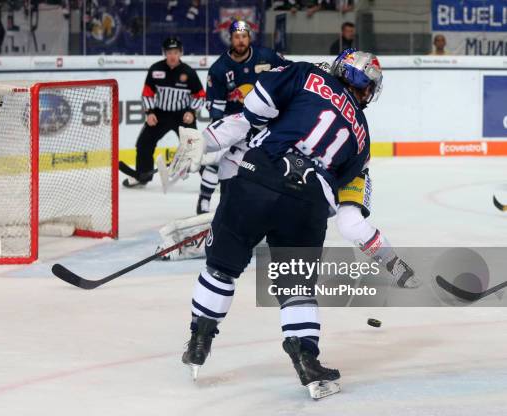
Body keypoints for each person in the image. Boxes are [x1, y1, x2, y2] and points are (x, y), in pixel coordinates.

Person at [179, 49, 384, 399]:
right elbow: (348, 212)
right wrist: (386, 254)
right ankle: (307, 360)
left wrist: (214, 140)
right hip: (309, 204)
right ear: (366, 90)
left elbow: (255, 109)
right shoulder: (363, 138)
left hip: (258, 177)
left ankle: (199, 341)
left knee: (221, 269)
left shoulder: (305, 74)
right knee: (297, 285)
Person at [197, 20, 290, 213]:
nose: (240, 41)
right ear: (230, 39)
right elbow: (215, 105)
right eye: (237, 37)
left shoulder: (265, 56)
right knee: (217, 161)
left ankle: (264, 208)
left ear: (249, 38)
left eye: (244, 36)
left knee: (262, 164)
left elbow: (289, 71)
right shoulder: (219, 68)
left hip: (263, 121)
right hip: (233, 121)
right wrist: (222, 130)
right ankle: (204, 203)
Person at [122, 36, 206, 188]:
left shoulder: (189, 73)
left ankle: (209, 178)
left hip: (183, 116)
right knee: (144, 143)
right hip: (160, 114)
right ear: (164, 53)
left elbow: (200, 95)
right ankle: (142, 176)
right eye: (169, 52)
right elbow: (147, 93)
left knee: (195, 146)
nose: (172, 56)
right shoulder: (155, 70)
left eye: (175, 52)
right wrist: (150, 113)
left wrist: (192, 112)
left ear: (181, 53)